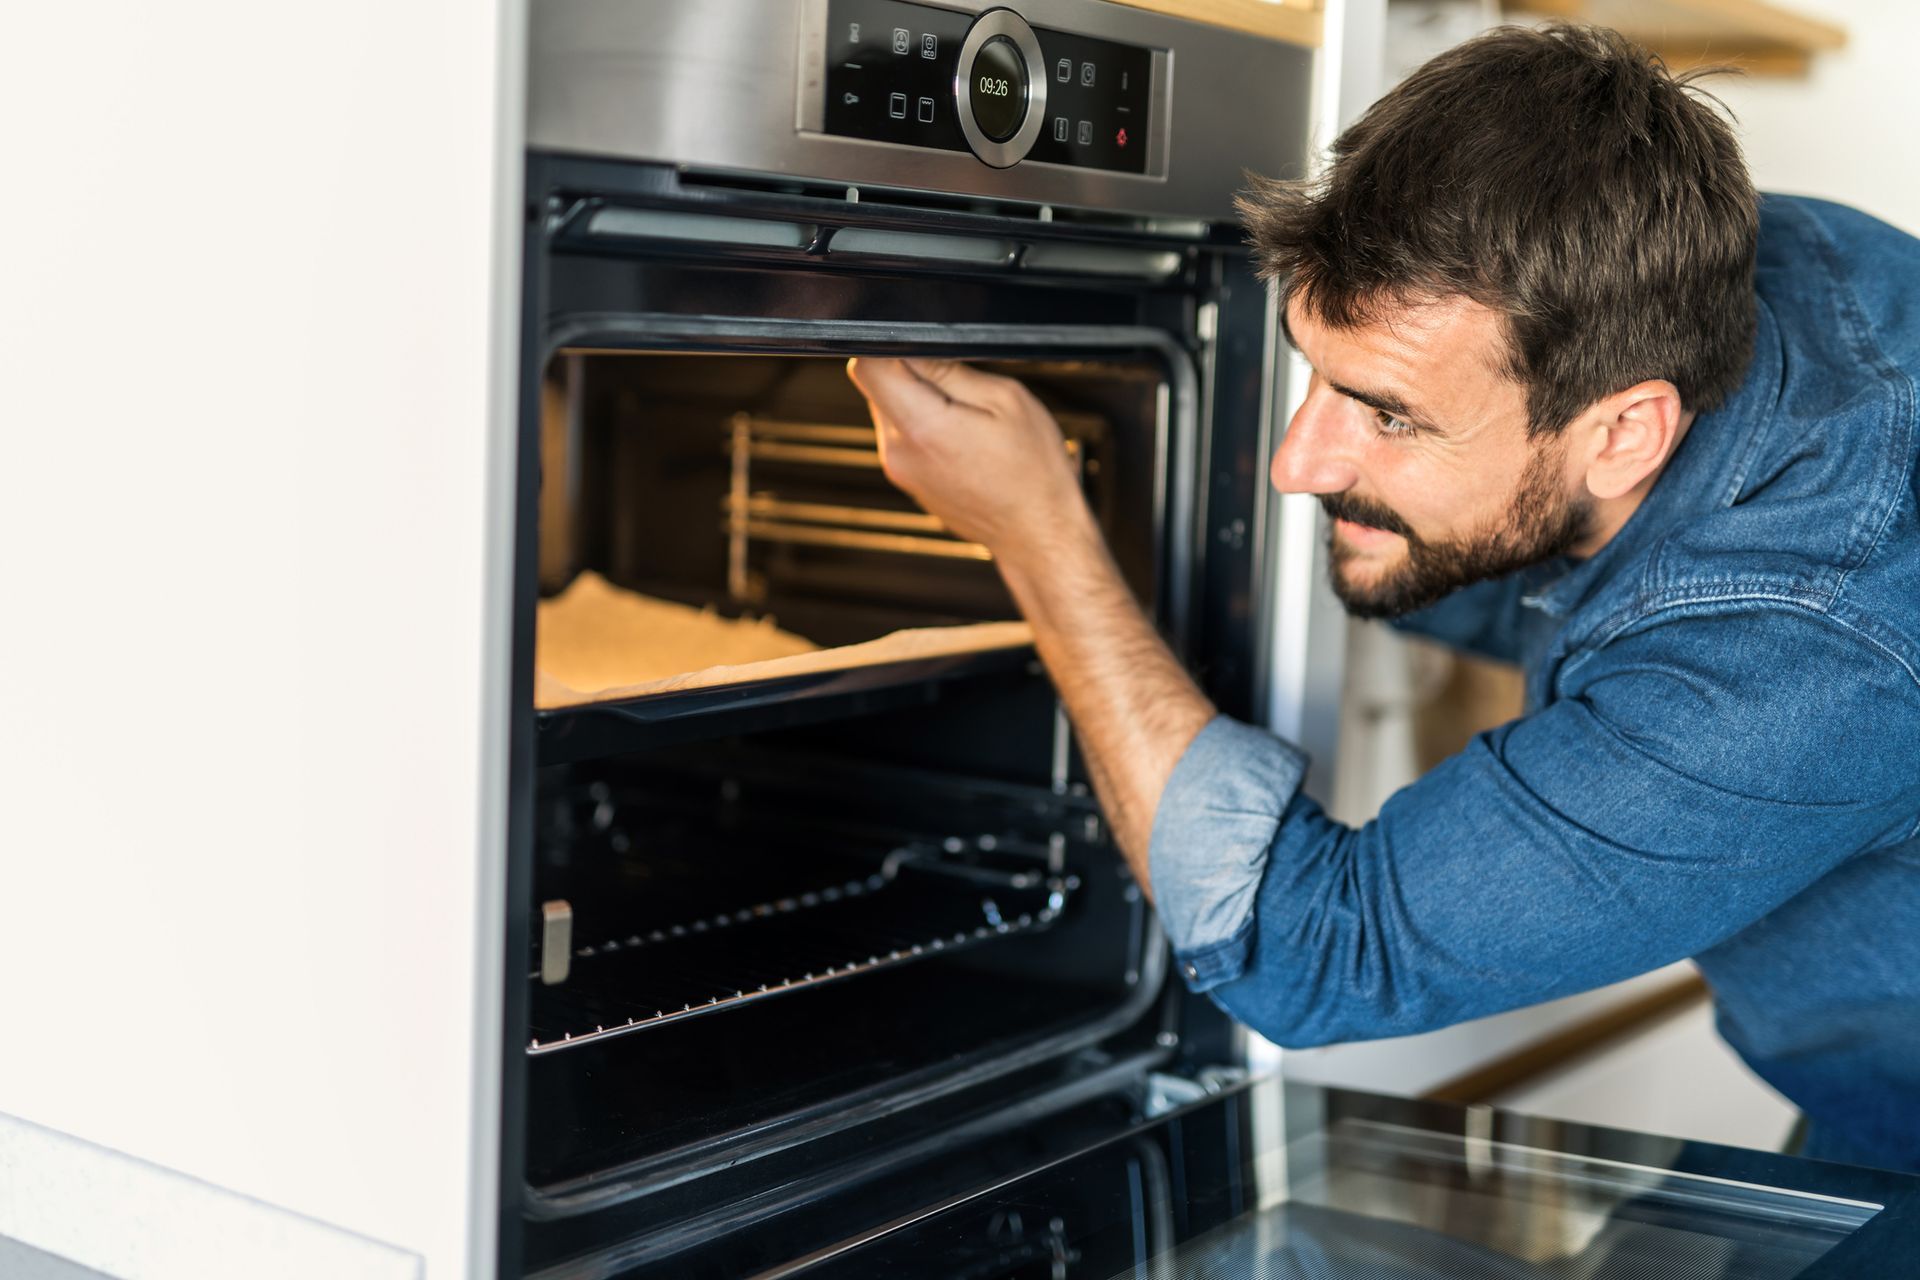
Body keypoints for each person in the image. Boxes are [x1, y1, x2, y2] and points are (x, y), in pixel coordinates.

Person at [845, 23, 1920, 1173]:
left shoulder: (1805, 656)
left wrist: (1038, 533)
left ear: (1625, 431)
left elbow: (1312, 948)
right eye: (1319, 368)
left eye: (1389, 413)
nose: (1295, 463)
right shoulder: (1724, 261)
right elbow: (1538, 555)